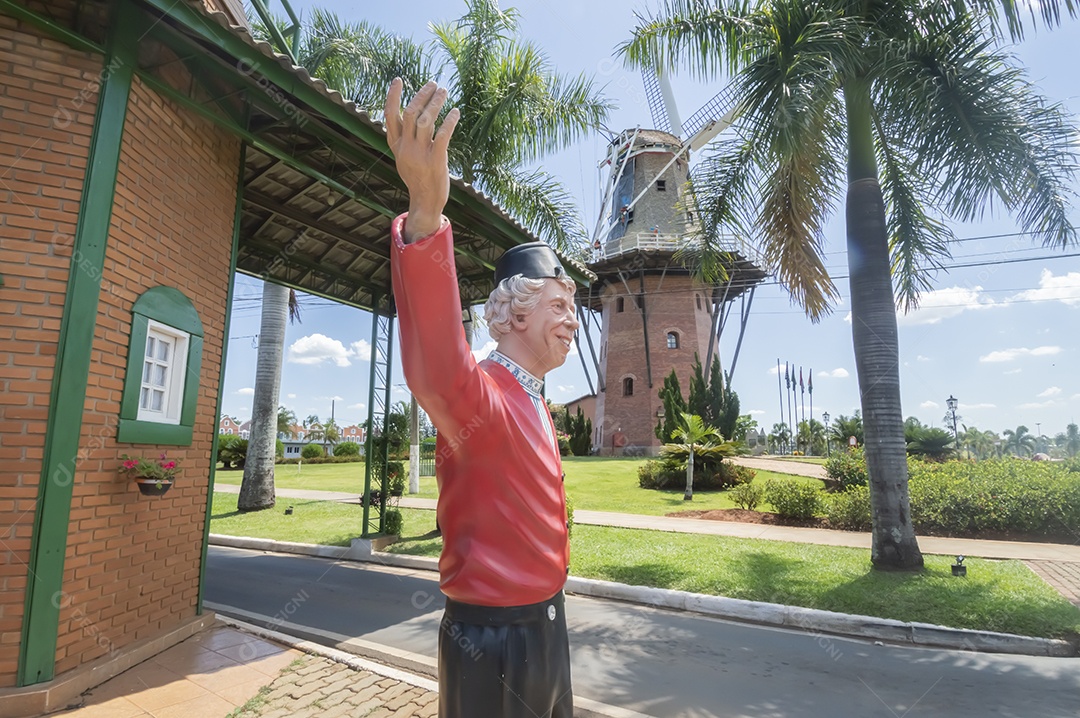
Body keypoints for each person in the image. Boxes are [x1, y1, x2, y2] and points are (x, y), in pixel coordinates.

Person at [384, 78, 579, 718]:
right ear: (513, 315)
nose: (572, 320)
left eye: (573, 307)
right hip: (493, 639)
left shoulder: (534, 401)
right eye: (559, 304)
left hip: (547, 629)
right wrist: (425, 214)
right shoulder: (483, 396)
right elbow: (438, 367)